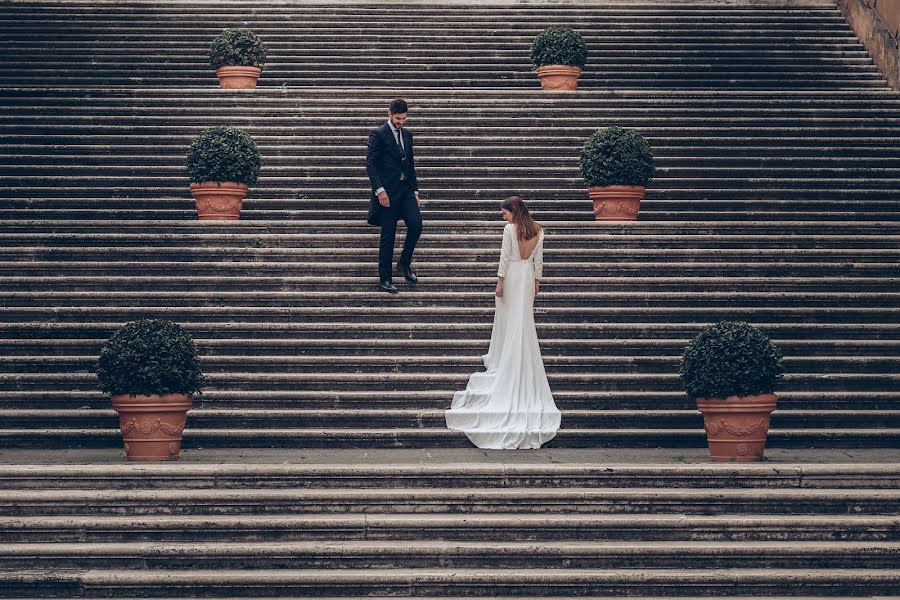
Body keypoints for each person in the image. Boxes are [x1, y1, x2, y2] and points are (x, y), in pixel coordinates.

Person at [445, 196, 561, 449]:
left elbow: (505, 257)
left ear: (513, 211)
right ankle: (517, 353)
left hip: (512, 277)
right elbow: (538, 260)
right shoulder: (538, 230)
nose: (504, 218)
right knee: (523, 320)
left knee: (509, 319)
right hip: (528, 276)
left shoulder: (510, 230)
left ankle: (504, 356)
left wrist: (499, 281)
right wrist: (537, 282)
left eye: (504, 213)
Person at [366, 98, 423, 293]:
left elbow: (410, 165)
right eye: (398, 118)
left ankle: (404, 263)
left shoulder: (408, 135)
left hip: (405, 189)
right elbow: (371, 164)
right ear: (389, 114)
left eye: (404, 118)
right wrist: (379, 190)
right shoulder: (379, 134)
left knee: (416, 224)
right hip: (388, 192)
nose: (401, 122)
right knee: (388, 235)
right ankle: (385, 278)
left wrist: (415, 190)